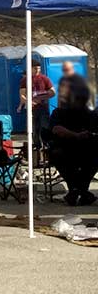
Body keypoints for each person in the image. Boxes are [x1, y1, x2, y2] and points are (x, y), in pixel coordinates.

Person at [47, 74, 98, 206]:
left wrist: (88, 135)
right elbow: (56, 129)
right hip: (63, 148)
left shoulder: (90, 113)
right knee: (58, 155)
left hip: (87, 149)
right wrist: (76, 135)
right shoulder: (59, 112)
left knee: (94, 157)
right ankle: (82, 191)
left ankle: (76, 190)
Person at [18, 58, 55, 146]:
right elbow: (22, 96)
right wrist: (28, 101)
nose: (37, 71)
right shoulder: (25, 80)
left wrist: (43, 97)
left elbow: (52, 92)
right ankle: (37, 146)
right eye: (35, 68)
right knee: (34, 129)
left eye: (39, 68)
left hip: (43, 107)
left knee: (45, 126)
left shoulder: (45, 79)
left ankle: (47, 145)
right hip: (32, 109)